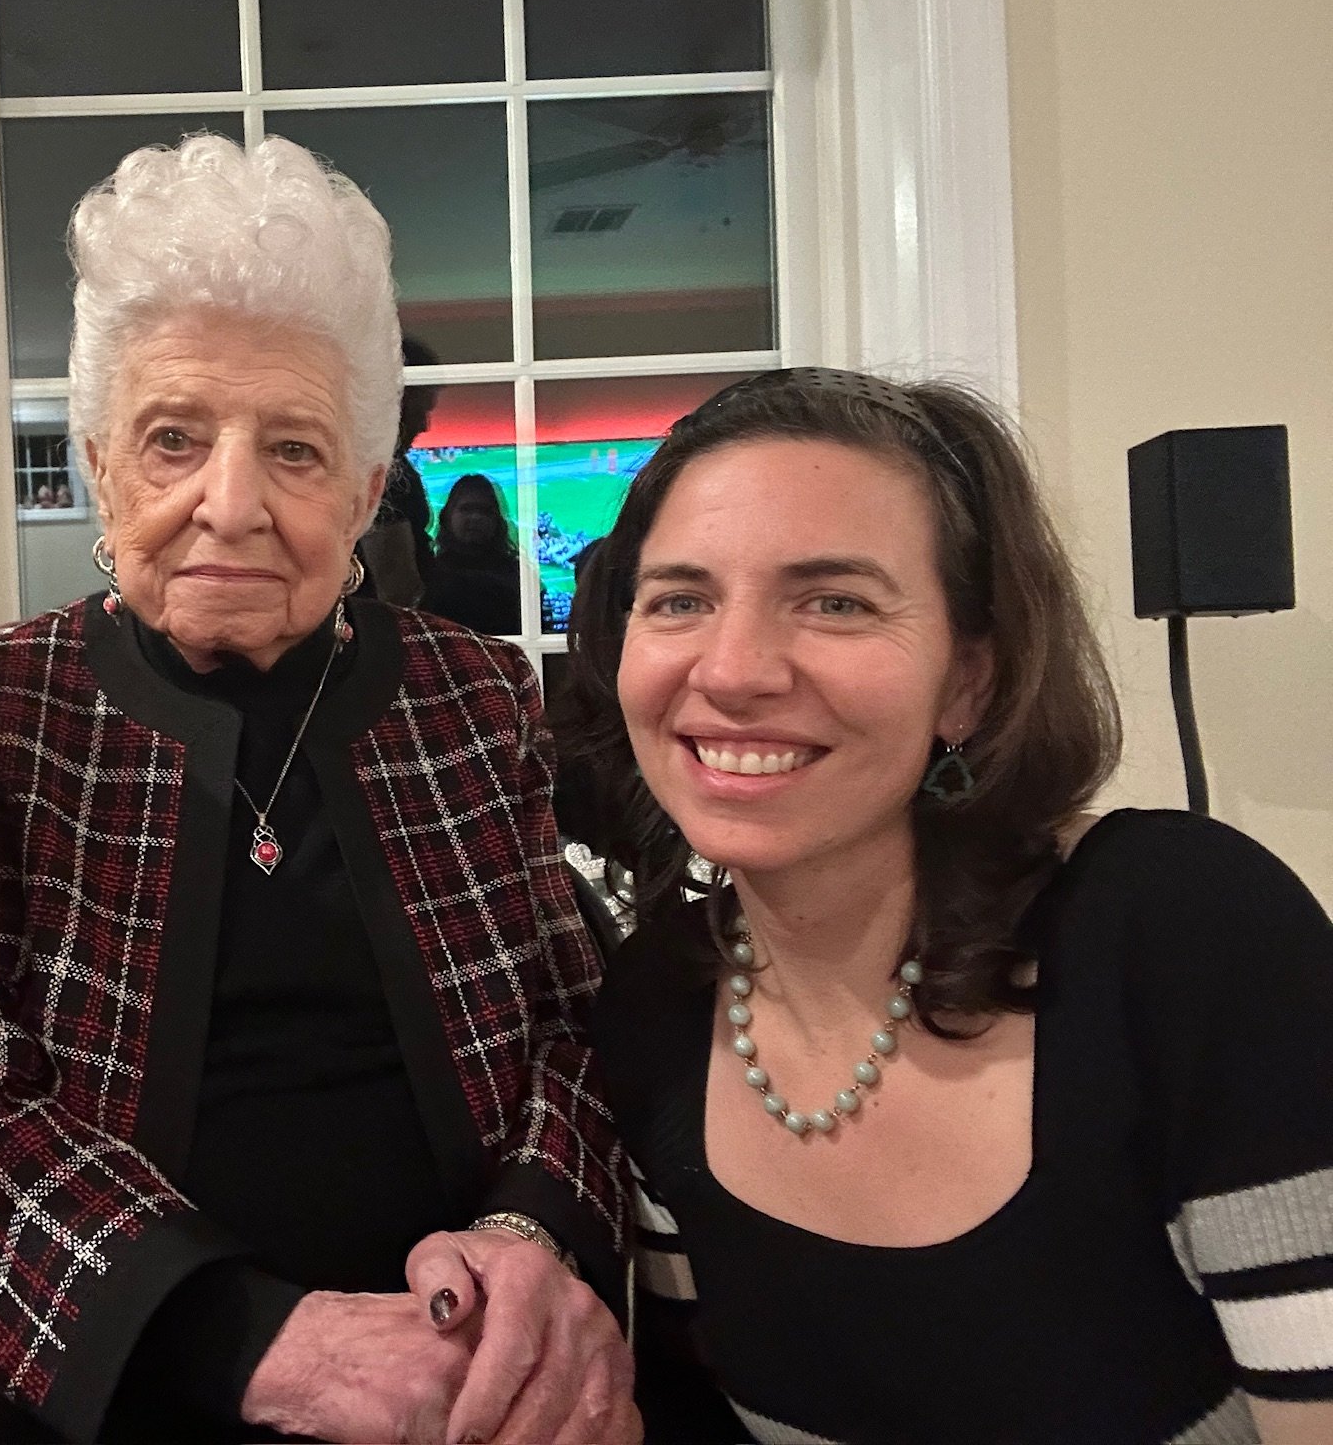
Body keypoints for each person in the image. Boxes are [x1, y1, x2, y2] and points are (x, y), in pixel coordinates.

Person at [0, 135, 635, 1445]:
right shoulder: (4, 708)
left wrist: (530, 1238)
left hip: (470, 1381)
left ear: (367, 492)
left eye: (296, 451)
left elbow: (566, 1023)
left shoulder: (470, 694)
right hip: (102, 1389)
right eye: (172, 440)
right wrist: (258, 1342)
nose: (231, 505)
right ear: (98, 467)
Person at [556, 367, 1333, 1442]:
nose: (731, 671)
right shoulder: (656, 1006)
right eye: (679, 600)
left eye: (834, 602)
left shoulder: (1183, 933)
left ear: (969, 680)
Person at [354, 334, 441, 607]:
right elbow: (397, 585)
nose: (424, 425)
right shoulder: (384, 473)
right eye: (420, 410)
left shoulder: (374, 465)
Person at [422, 473, 523, 635]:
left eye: (485, 511)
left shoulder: (516, 573)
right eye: (466, 509)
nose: (475, 518)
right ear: (448, 516)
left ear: (497, 520)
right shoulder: (429, 573)